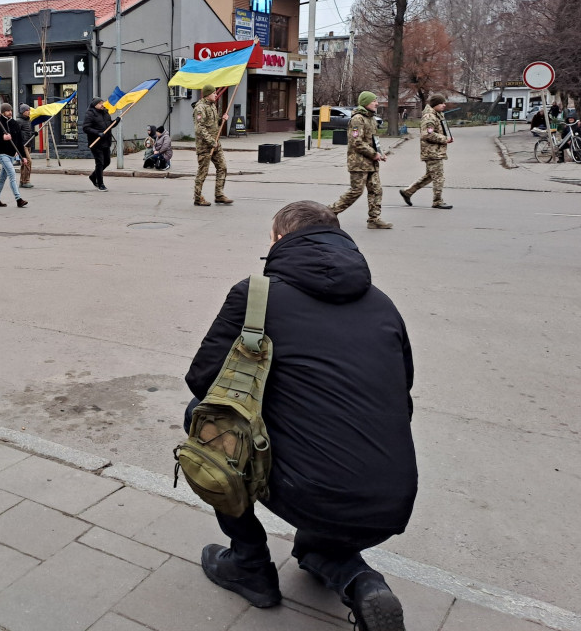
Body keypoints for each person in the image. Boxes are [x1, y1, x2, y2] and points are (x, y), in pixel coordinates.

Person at [186, 200, 416, 631]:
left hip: (309, 488)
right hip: (391, 500)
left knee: (205, 425)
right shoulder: (382, 303)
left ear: (277, 240)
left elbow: (202, 382)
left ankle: (249, 564)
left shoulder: (255, 295)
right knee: (329, 502)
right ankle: (359, 579)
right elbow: (401, 395)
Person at [329, 91, 391, 229]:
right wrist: (373, 154)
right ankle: (328, 213)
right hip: (359, 163)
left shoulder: (371, 119)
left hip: (371, 162)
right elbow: (356, 142)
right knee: (356, 191)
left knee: (376, 190)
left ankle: (374, 219)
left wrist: (380, 153)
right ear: (366, 102)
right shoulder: (358, 119)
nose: (377, 103)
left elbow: (374, 140)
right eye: (374, 101)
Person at [400, 96, 452, 210]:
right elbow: (427, 134)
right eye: (441, 103)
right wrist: (444, 139)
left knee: (430, 176)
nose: (444, 105)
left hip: (435, 151)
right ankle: (437, 201)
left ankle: (408, 192)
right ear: (435, 104)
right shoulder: (429, 117)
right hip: (432, 152)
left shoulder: (436, 115)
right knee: (439, 177)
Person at [193, 85, 231, 206]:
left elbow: (214, 124)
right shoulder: (200, 108)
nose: (216, 95)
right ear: (207, 94)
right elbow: (200, 128)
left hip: (216, 144)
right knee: (203, 172)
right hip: (205, 146)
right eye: (214, 93)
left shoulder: (212, 106)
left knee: (222, 167)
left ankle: (219, 194)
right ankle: (198, 197)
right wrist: (211, 142)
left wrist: (222, 120)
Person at [0, 103, 29, 208]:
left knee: (2, 178)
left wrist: (23, 156)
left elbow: (19, 142)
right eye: (7, 110)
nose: (10, 112)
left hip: (11, 154)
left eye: (11, 110)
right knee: (12, 173)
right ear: (2, 112)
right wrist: (2, 138)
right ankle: (18, 199)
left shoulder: (14, 123)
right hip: (1, 153)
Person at [82, 97, 113, 191]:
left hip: (106, 141)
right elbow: (86, 128)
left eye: (102, 103)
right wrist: (97, 133)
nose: (102, 104)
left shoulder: (105, 113)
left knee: (107, 161)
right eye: (100, 103)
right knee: (100, 163)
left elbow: (109, 125)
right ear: (95, 105)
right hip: (95, 143)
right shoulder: (90, 114)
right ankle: (101, 184)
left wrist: (116, 122)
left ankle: (93, 176)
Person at [17, 104, 35, 188]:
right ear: (23, 111)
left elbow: (28, 132)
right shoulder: (19, 121)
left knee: (24, 163)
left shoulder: (28, 120)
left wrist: (34, 134)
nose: (29, 112)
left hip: (28, 143)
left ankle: (22, 181)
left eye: (29, 110)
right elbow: (16, 133)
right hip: (23, 145)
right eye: (27, 110)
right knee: (28, 161)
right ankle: (26, 181)